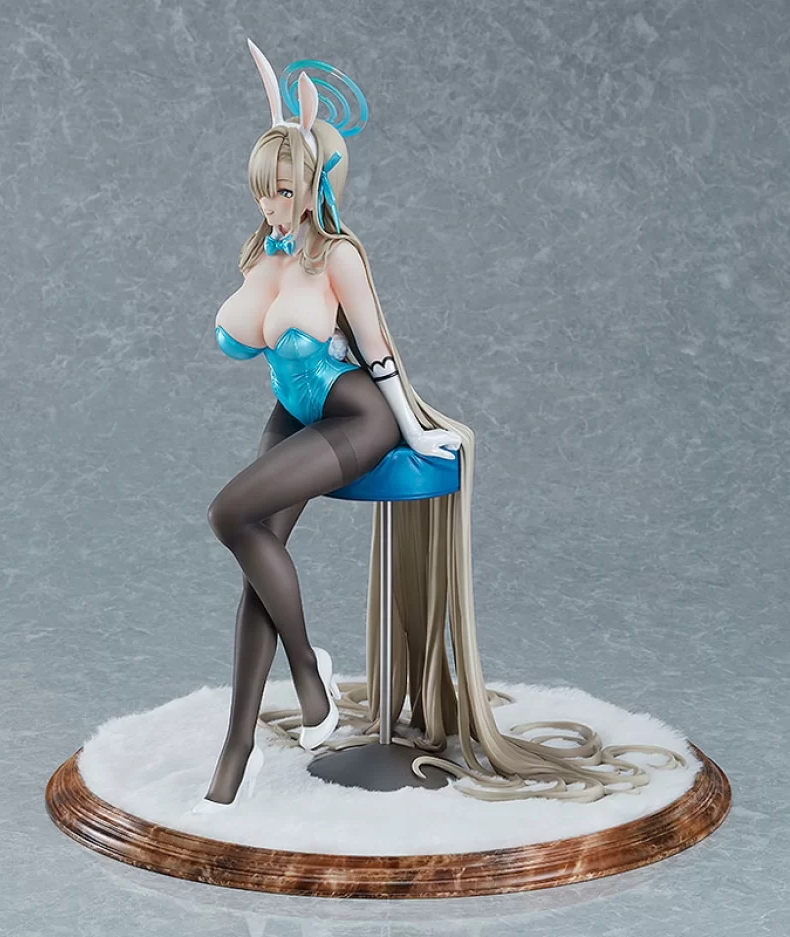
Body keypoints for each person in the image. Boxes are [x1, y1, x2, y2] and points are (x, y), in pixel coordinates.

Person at [193, 41, 684, 812]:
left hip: (357, 414)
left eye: (284, 191)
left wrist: (415, 430)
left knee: (228, 514)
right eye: (263, 190)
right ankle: (238, 752)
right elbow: (252, 335)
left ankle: (310, 678)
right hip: (293, 411)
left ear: (313, 186)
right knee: (259, 554)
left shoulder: (338, 256)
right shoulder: (264, 253)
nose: (271, 205)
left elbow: (380, 352)